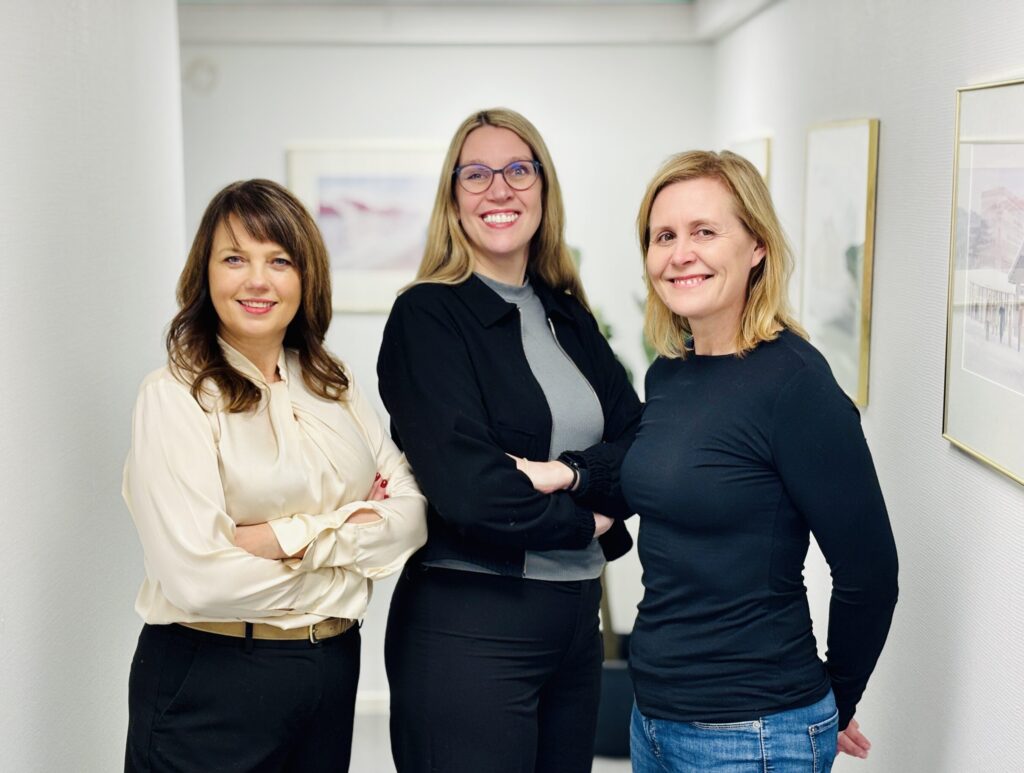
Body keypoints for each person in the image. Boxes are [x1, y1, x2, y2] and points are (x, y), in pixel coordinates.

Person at [122, 179, 427, 772]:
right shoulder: (174, 396)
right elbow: (197, 582)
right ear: (203, 274)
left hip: (331, 671)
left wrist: (282, 537)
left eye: (279, 261)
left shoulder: (331, 382)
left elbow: (410, 517)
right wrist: (344, 569)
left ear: (305, 276)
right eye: (234, 258)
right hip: (211, 679)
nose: (257, 281)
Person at [377, 108, 642, 773]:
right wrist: (595, 514)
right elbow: (472, 492)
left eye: (519, 169)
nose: (500, 189)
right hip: (471, 625)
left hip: (575, 624)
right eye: (477, 174)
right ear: (453, 200)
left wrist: (569, 473)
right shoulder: (428, 317)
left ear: (544, 190)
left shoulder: (565, 312)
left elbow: (642, 442)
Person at [622, 151, 899, 772]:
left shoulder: (794, 385)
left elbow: (870, 573)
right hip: (654, 719)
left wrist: (836, 700)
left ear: (756, 248)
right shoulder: (668, 373)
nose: (680, 253)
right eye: (663, 235)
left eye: (705, 232)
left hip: (752, 733)